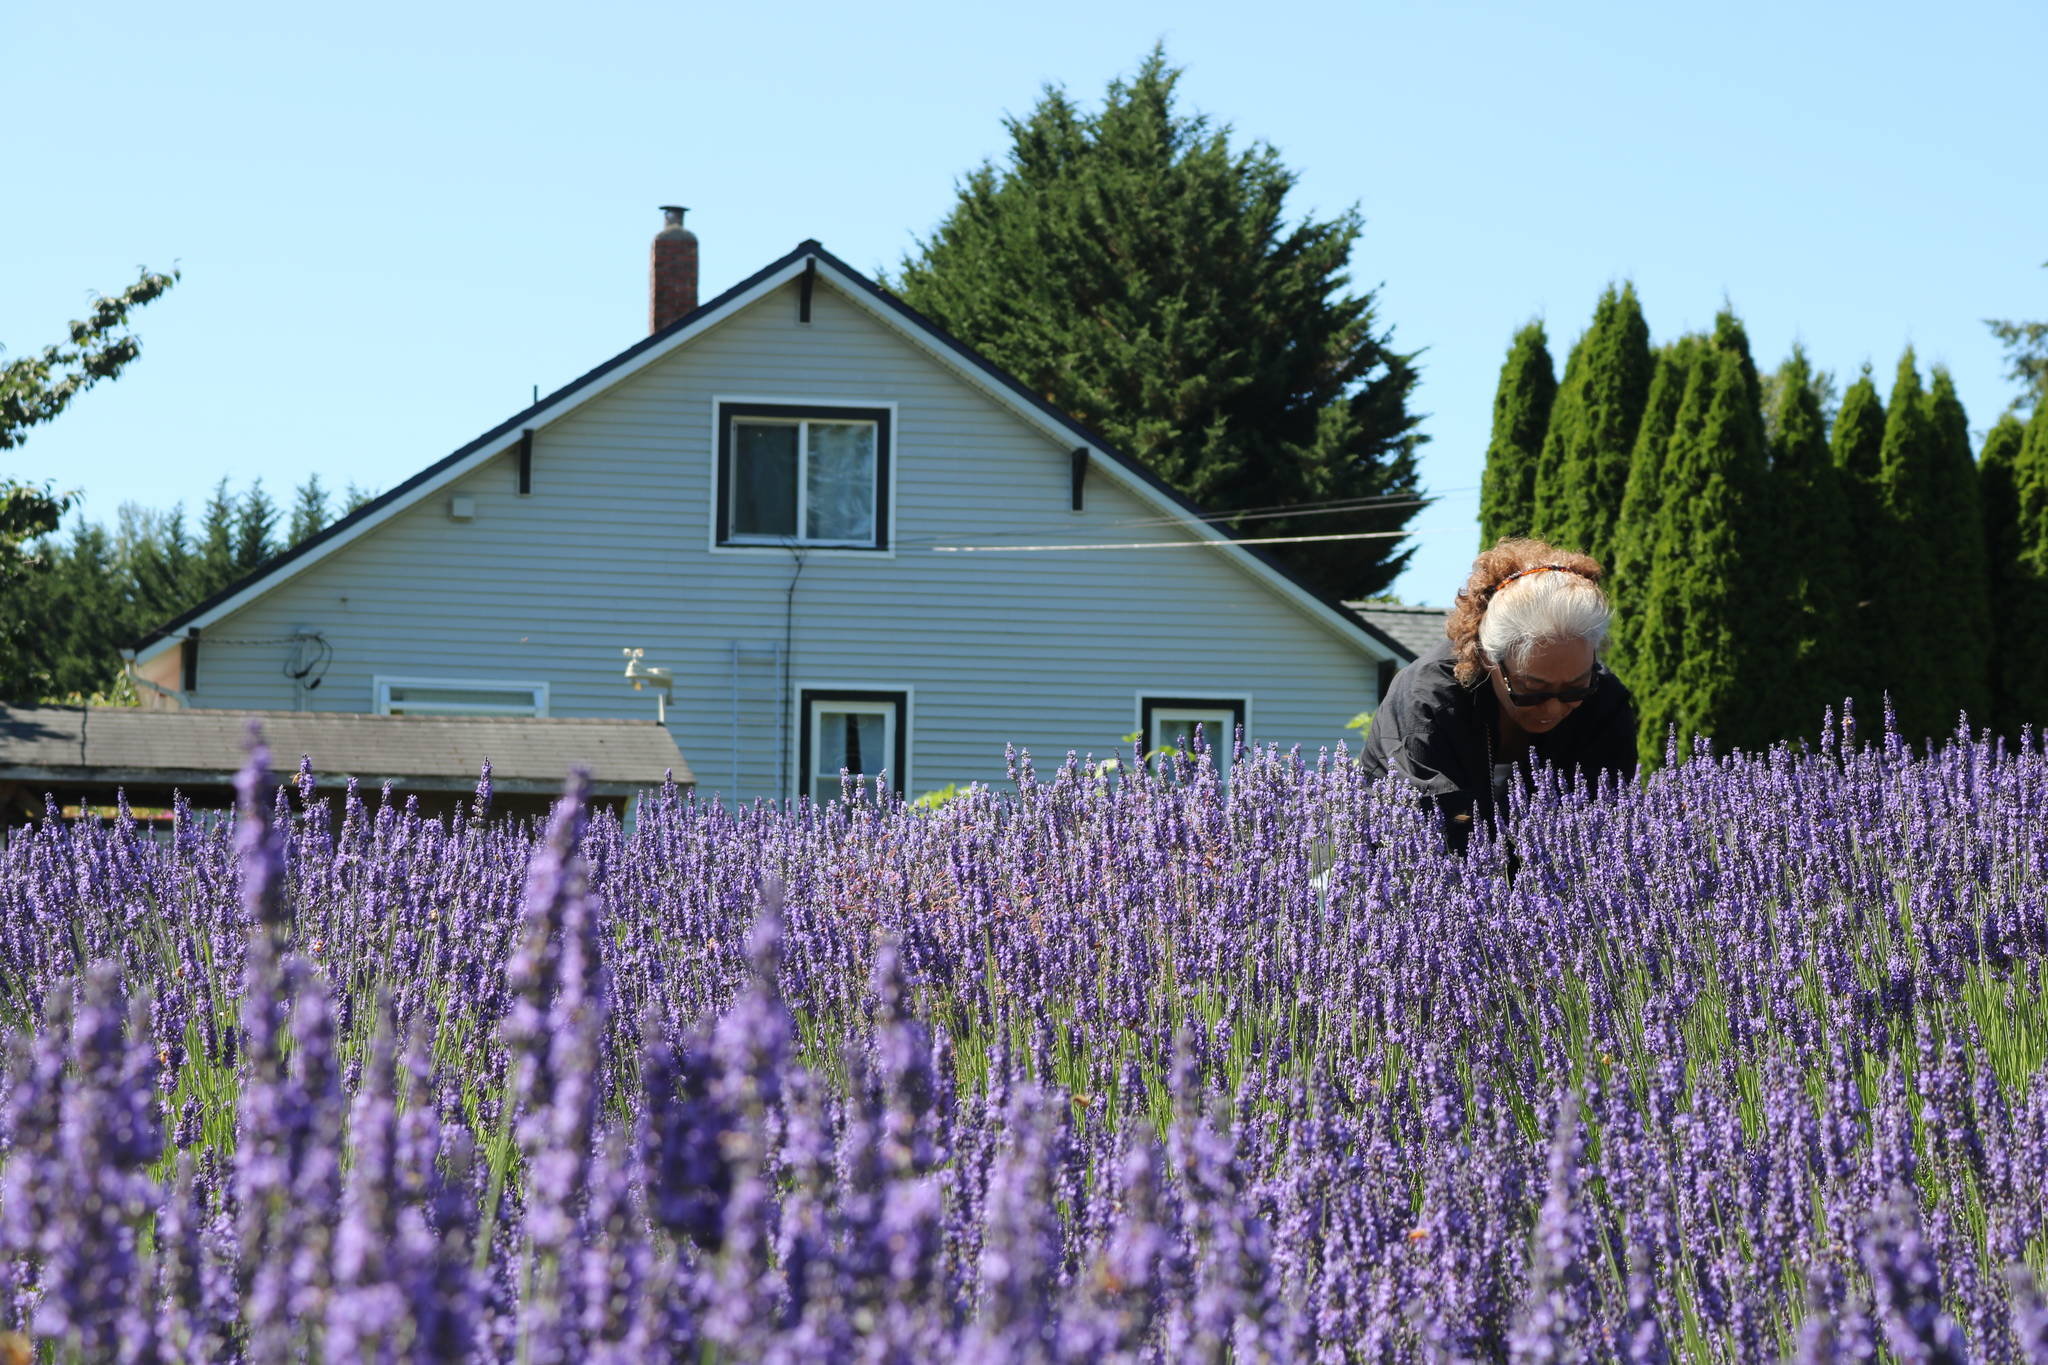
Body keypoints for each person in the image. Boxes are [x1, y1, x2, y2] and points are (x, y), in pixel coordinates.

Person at [1360, 538, 1638, 848]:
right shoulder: (1429, 698)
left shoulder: (1604, 699)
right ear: (1488, 658)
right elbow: (1441, 828)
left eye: (1575, 688)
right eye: (1533, 690)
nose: (1553, 709)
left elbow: (1606, 818)